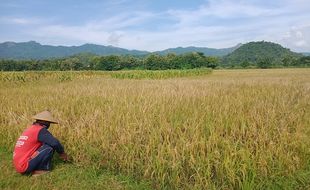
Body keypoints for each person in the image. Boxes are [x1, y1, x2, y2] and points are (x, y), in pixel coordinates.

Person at [13, 110, 69, 176]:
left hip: (18, 165)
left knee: (43, 144)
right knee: (49, 147)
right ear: (45, 122)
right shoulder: (40, 130)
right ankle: (41, 170)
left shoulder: (30, 129)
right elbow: (54, 143)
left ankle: (34, 168)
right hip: (24, 166)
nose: (49, 124)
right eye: (48, 122)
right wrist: (62, 153)